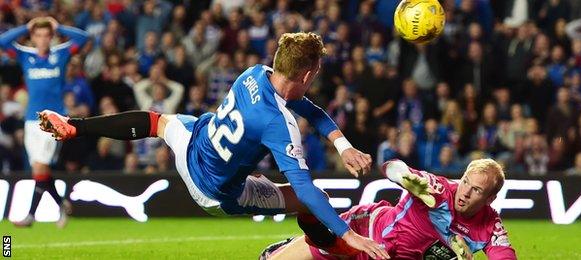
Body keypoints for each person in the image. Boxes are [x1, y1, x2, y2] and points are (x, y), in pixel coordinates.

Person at [38, 32, 389, 259]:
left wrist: (342, 145)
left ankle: (75, 126)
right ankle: (343, 252)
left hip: (194, 142)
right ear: (309, 75)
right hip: (215, 192)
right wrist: (346, 233)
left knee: (158, 122)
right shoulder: (278, 125)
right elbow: (305, 189)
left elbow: (306, 107)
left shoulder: (255, 73)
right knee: (313, 202)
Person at [260, 159, 517, 260]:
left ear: (491, 198)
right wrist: (406, 177)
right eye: (465, 183)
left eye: (477, 191)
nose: (465, 193)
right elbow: (391, 167)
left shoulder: (490, 227)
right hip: (364, 233)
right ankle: (284, 248)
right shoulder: (437, 190)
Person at [0, 16, 89, 227]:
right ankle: (61, 204)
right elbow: (2, 42)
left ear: (51, 37)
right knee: (39, 171)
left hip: (54, 119)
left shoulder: (61, 53)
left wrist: (58, 26)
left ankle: (30, 215)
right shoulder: (25, 55)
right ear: (33, 37)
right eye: (38, 35)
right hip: (31, 119)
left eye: (46, 35)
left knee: (41, 166)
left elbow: (83, 38)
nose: (42, 40)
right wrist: (25, 27)